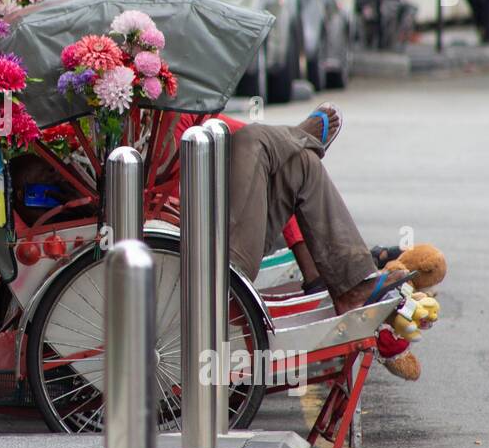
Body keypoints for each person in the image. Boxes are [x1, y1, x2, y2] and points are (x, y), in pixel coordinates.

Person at [173, 104, 410, 315]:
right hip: (196, 260)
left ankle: (352, 289)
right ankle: (301, 136)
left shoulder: (175, 113)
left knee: (299, 162)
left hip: (207, 241)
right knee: (260, 141)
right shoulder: (161, 118)